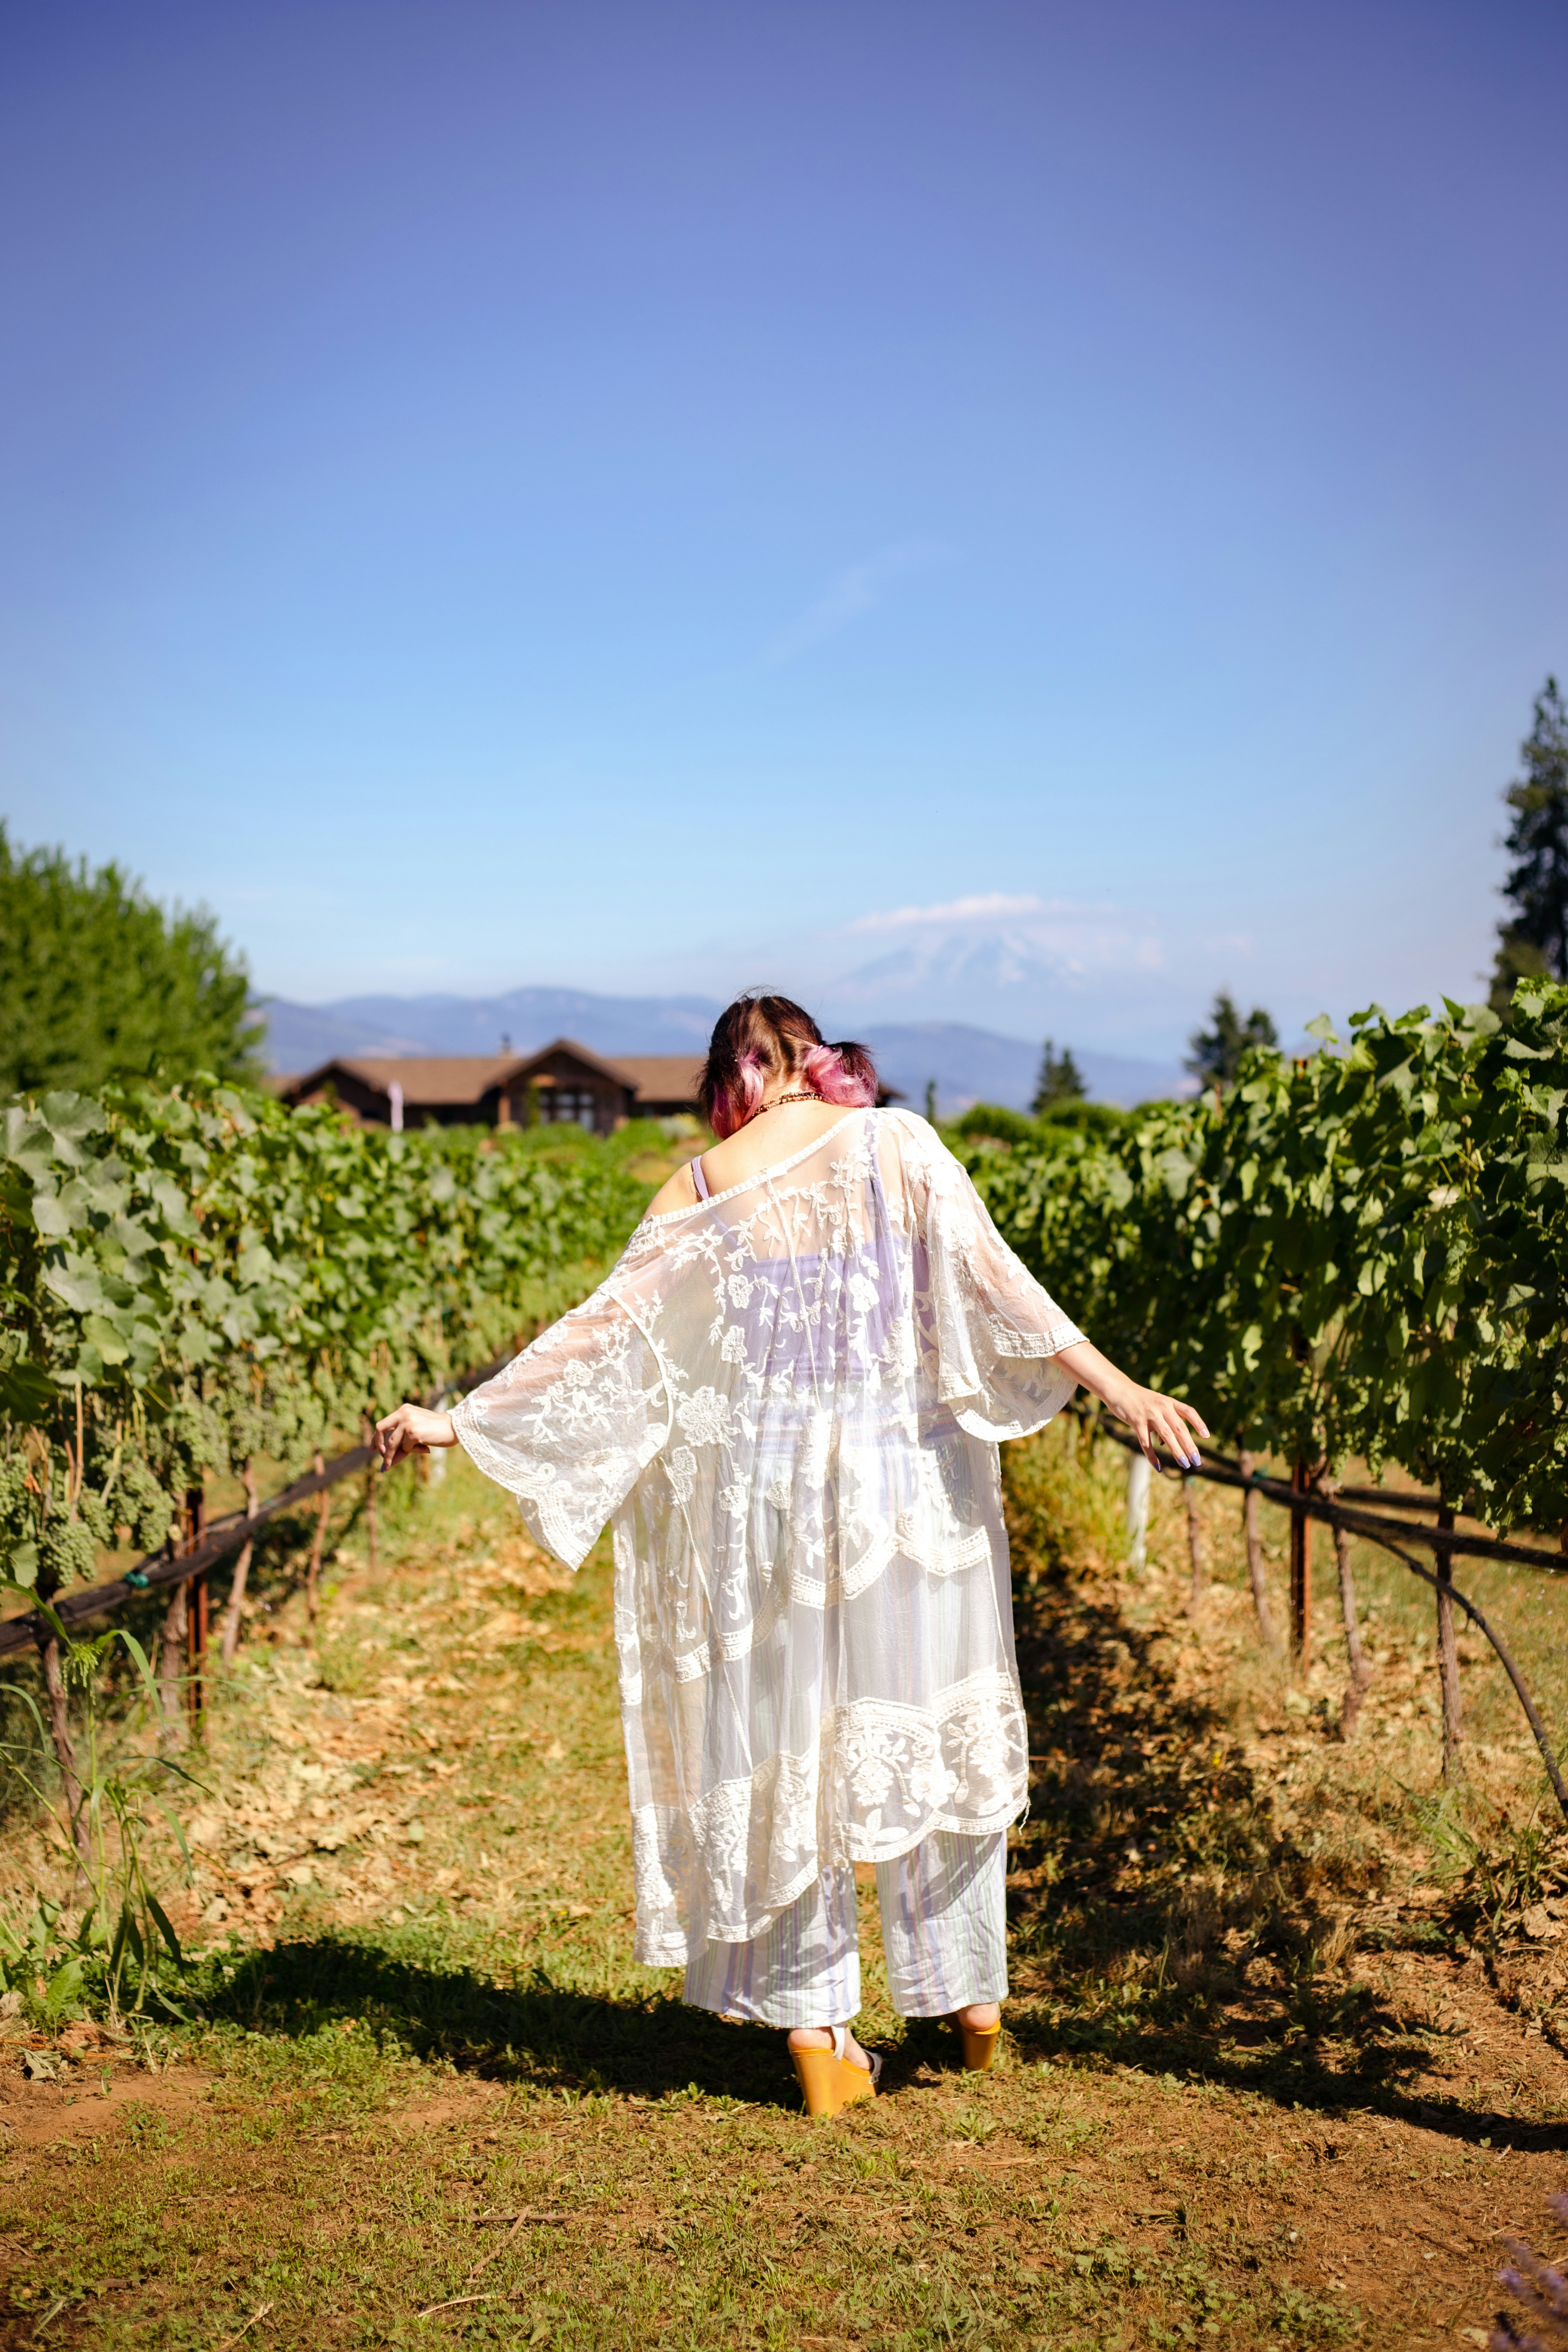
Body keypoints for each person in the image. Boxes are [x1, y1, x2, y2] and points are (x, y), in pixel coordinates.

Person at [375, 992, 1208, 2116]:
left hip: (769, 1504)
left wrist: (461, 1420)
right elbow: (999, 1279)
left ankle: (818, 2041)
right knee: (933, 1727)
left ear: (732, 1074)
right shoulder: (895, 1142)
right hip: (907, 1487)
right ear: (811, 1059)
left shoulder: (701, 1187)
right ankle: (971, 2011)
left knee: (793, 1758)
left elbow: (598, 1328)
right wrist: (1121, 1390)